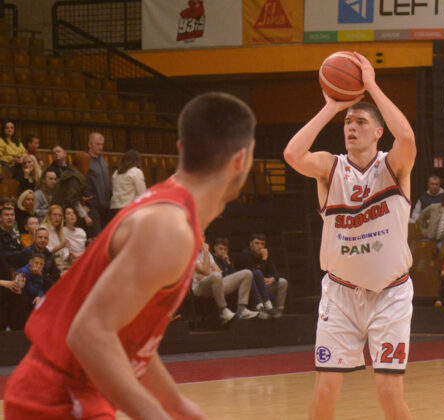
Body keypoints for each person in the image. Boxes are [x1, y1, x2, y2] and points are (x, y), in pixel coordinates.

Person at [3, 91, 256, 419]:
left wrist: (176, 405)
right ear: (241, 160)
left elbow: (132, 338)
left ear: (181, 149)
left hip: (70, 391)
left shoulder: (168, 209)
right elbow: (88, 334)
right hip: (58, 397)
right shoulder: (169, 228)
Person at [284, 52, 415, 419]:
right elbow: (292, 153)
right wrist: (331, 107)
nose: (351, 127)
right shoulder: (330, 167)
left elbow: (406, 136)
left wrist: (370, 85)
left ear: (378, 132)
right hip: (340, 296)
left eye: (360, 121)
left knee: (388, 392)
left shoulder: (393, 166)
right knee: (325, 391)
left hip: (390, 295)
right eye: (347, 122)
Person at [192, 242, 259, 323]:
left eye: (203, 238)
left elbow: (218, 271)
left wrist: (207, 274)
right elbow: (205, 270)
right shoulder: (191, 254)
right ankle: (223, 310)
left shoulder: (208, 254)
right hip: (199, 287)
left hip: (215, 283)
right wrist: (206, 252)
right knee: (216, 276)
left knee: (247, 273)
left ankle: (242, 309)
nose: (202, 241)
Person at [234, 233, 287, 318]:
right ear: (251, 244)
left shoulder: (266, 255)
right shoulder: (244, 255)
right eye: (257, 243)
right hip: (251, 290)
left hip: (263, 287)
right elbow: (256, 275)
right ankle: (261, 308)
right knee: (255, 275)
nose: (260, 246)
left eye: (262, 244)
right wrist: (264, 259)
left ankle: (279, 311)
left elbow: (276, 272)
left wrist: (272, 279)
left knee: (283, 282)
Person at [53, 152, 93, 228]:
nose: (89, 167)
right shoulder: (74, 178)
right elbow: (73, 200)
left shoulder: (69, 173)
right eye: (88, 164)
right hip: (66, 215)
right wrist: (85, 216)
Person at [110, 149, 147, 216]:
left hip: (114, 208)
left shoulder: (116, 173)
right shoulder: (136, 172)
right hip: (128, 209)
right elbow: (142, 193)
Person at [41, 204, 70, 272]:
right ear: (49, 216)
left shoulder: (60, 231)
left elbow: (65, 251)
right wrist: (61, 246)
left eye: (60, 215)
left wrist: (69, 256)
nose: (57, 218)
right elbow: (44, 251)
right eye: (54, 215)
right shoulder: (43, 229)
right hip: (49, 263)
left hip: (61, 262)